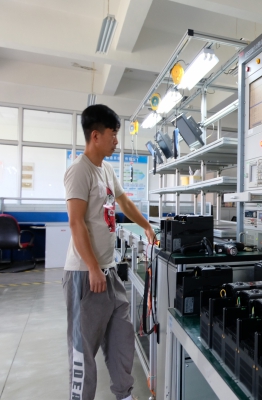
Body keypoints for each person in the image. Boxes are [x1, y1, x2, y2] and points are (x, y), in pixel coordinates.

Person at [63, 104, 154, 400]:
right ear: (95, 135)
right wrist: (92, 268)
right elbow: (76, 223)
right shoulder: (80, 171)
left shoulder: (107, 169)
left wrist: (147, 226)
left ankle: (124, 395)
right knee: (83, 350)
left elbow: (124, 202)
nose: (117, 141)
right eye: (113, 134)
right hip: (84, 274)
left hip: (109, 271)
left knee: (121, 340)